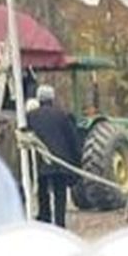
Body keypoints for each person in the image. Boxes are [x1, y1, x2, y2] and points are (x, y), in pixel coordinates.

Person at [26, 84, 83, 228]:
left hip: (41, 163)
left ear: (39, 99)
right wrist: (78, 163)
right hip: (60, 163)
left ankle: (45, 219)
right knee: (60, 193)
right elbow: (72, 140)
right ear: (52, 99)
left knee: (42, 191)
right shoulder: (62, 115)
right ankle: (59, 223)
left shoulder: (31, 117)